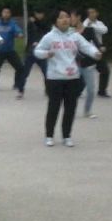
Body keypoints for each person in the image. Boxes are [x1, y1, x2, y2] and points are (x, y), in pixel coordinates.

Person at [34, 8, 101, 147]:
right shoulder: (49, 37)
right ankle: (49, 136)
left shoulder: (75, 36)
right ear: (55, 21)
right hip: (55, 78)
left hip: (72, 78)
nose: (65, 20)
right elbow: (37, 51)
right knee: (54, 107)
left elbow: (86, 46)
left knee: (70, 108)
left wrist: (95, 53)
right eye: (61, 17)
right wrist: (47, 53)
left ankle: (67, 136)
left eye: (66, 17)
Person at [70, 9, 102, 119]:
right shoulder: (69, 32)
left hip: (88, 64)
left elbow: (94, 43)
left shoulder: (89, 30)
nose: (70, 19)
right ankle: (70, 110)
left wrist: (98, 50)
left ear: (78, 17)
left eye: (72, 16)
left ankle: (87, 111)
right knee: (74, 90)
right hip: (74, 65)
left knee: (91, 90)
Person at [0, 6, 25, 99]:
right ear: (1, 13)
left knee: (20, 67)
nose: (6, 14)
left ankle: (17, 84)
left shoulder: (12, 24)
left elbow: (18, 31)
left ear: (10, 14)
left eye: (8, 12)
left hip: (10, 50)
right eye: (4, 12)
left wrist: (19, 34)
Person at [84, 8, 111, 97]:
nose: (92, 14)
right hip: (88, 51)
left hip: (98, 50)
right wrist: (91, 27)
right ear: (88, 14)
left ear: (97, 13)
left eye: (94, 12)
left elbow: (105, 30)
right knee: (82, 72)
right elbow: (86, 31)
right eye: (90, 13)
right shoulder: (85, 23)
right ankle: (76, 90)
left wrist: (93, 26)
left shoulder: (99, 23)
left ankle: (102, 91)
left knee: (105, 70)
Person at [22, 9, 50, 92]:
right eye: (38, 13)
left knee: (46, 71)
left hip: (41, 51)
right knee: (25, 71)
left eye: (41, 13)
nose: (40, 15)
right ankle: (21, 89)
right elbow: (32, 32)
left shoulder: (45, 23)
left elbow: (45, 31)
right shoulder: (31, 23)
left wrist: (36, 22)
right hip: (30, 50)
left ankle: (48, 89)